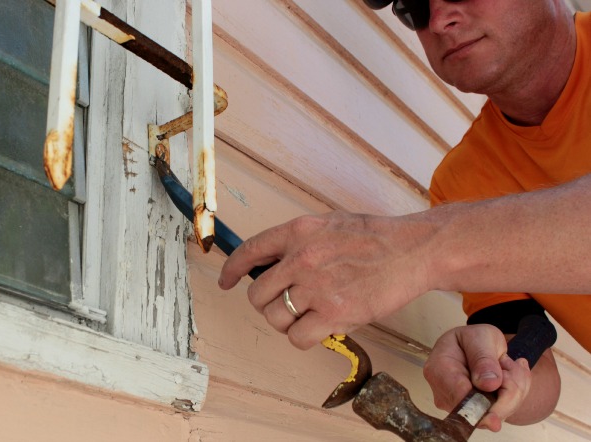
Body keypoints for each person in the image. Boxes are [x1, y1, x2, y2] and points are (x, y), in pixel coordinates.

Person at [218, 0, 591, 432]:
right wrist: (489, 366)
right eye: (412, 7)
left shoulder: (443, 230)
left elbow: (427, 248)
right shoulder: (465, 182)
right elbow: (539, 379)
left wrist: (417, 250)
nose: (438, 20)